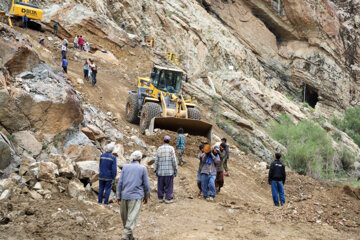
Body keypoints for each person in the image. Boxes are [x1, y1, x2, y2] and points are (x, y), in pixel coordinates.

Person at [117, 151, 150, 240]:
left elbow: (120, 182)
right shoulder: (142, 168)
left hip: (124, 195)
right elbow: (146, 184)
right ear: (139, 159)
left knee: (125, 217)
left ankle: (130, 236)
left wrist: (118, 196)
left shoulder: (125, 167)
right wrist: (146, 196)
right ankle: (125, 235)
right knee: (132, 217)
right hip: (136, 197)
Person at [154, 135, 177, 204]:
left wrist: (155, 169)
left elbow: (156, 160)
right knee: (169, 185)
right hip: (169, 171)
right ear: (169, 141)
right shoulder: (171, 149)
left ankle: (160, 198)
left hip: (161, 171)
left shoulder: (159, 148)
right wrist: (175, 169)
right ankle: (167, 199)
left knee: (160, 185)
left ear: (163, 141)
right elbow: (174, 160)